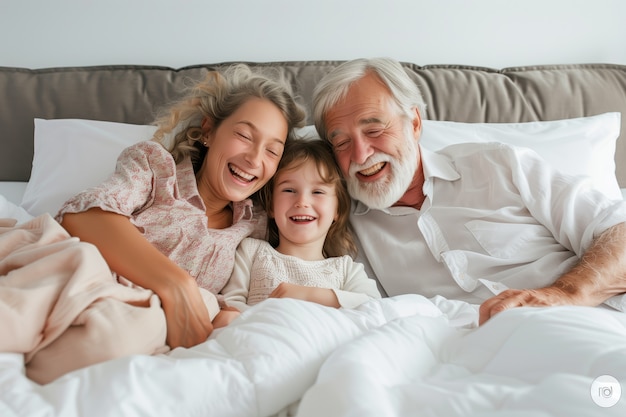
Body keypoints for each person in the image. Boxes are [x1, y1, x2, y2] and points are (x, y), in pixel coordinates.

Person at [311, 57, 626, 325]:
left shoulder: (499, 165)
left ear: (415, 123)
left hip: (591, 321)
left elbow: (619, 231)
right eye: (341, 142)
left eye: (374, 130)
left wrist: (564, 295)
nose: (361, 155)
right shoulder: (340, 225)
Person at [56, 64, 306, 349]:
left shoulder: (255, 226)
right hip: (92, 297)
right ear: (209, 130)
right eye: (244, 136)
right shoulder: (155, 170)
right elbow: (83, 214)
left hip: (156, 338)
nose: (254, 159)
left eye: (272, 150)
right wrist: (177, 285)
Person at [221, 138, 381, 311]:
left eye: (318, 192)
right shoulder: (251, 252)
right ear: (272, 205)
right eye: (289, 190)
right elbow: (231, 306)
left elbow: (374, 306)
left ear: (338, 210)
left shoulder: (345, 269)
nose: (302, 202)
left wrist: (308, 295)